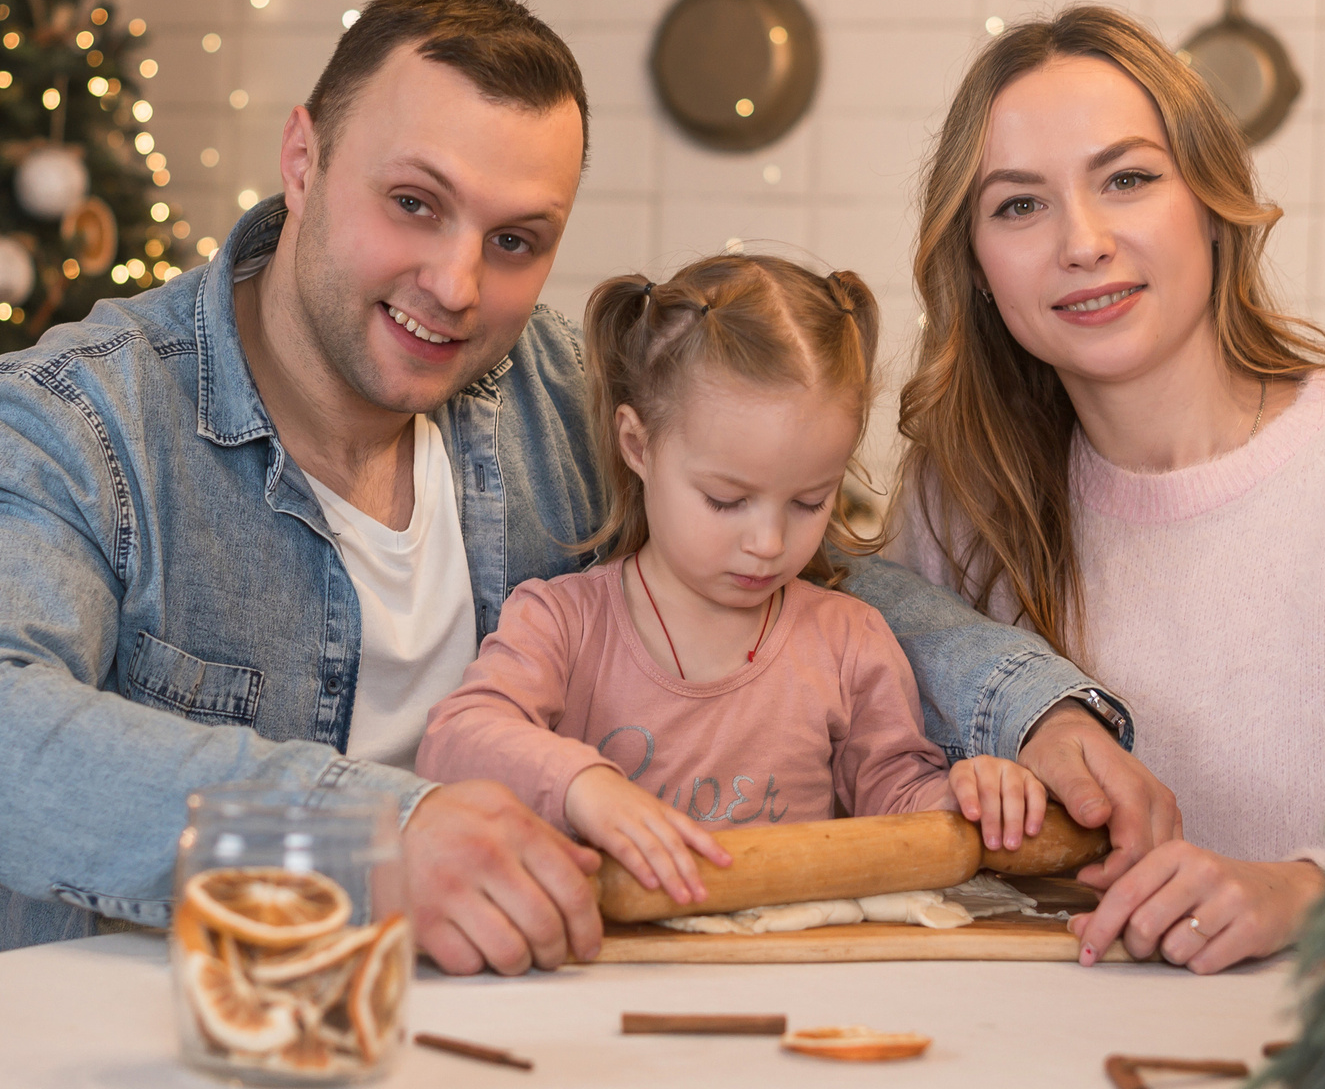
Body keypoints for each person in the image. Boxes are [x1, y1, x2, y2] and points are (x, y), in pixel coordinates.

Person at [0, 0, 1171, 976]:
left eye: (515, 240)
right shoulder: (81, 417)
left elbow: (823, 583)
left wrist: (1035, 715)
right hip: (137, 1069)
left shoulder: (563, 388)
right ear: (301, 158)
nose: (455, 286)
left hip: (472, 1070)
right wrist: (376, 838)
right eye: (414, 204)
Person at [887, 5, 1325, 975]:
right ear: (975, 268)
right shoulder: (958, 502)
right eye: (1019, 204)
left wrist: (1307, 891)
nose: (1083, 241)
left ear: (1213, 204)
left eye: (1128, 180)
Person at [418, 256, 1046, 905]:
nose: (769, 545)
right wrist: (582, 786)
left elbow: (899, 803)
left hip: (790, 970)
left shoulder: (849, 639)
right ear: (637, 445)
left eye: (810, 502)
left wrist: (969, 800)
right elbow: (455, 741)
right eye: (725, 499)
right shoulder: (562, 622)